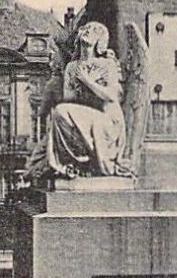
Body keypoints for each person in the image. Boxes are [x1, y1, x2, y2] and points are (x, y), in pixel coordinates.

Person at [43, 22, 131, 177]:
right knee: (59, 112)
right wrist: (77, 88)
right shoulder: (72, 67)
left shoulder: (107, 64)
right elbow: (68, 98)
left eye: (95, 30)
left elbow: (111, 96)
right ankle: (71, 163)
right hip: (86, 114)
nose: (88, 31)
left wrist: (87, 81)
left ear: (100, 41)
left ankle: (94, 163)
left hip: (108, 120)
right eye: (86, 28)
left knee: (67, 114)